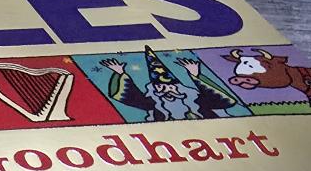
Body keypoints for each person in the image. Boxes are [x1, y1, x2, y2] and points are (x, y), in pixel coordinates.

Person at [100, 47, 235, 122]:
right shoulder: (154, 103)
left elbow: (224, 101)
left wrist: (196, 76)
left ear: (178, 87)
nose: (166, 90)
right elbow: (128, 96)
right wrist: (120, 73)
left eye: (170, 86)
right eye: (159, 87)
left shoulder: (197, 99)